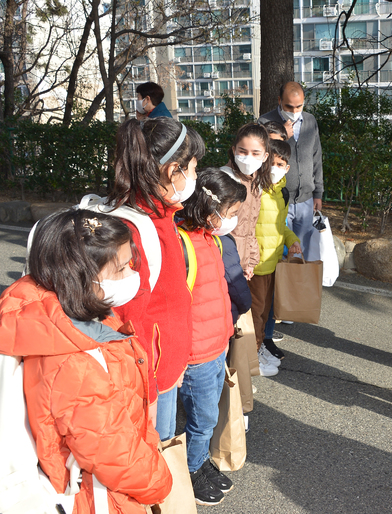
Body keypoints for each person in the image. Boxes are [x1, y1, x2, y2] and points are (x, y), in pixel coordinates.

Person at [0, 209, 172, 513]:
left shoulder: (64, 316)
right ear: (81, 276)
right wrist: (160, 480)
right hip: (99, 494)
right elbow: (108, 449)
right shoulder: (74, 358)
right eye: (122, 269)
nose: (132, 275)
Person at [107, 117, 205, 441]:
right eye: (191, 168)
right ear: (171, 170)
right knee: (155, 457)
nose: (195, 177)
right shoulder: (137, 229)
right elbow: (124, 323)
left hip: (164, 371)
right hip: (150, 383)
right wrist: (154, 380)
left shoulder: (162, 216)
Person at [177, 168, 246, 506]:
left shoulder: (212, 239)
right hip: (196, 354)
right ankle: (190, 471)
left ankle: (200, 462)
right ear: (209, 208)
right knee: (201, 418)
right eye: (231, 213)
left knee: (208, 416)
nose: (233, 220)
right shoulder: (183, 243)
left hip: (216, 344)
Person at [258, 82, 323, 261]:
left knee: (303, 249)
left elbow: (316, 157)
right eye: (289, 106)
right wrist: (283, 136)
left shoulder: (310, 121)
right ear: (279, 101)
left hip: (306, 199)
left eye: (299, 106)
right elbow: (260, 155)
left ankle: (300, 286)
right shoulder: (264, 122)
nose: (294, 111)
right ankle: (280, 287)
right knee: (279, 249)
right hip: (276, 197)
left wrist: (318, 192)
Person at [252, 139, 302, 366]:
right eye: (272, 162)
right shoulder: (254, 189)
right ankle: (250, 359)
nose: (275, 168)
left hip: (273, 263)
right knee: (255, 314)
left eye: (280, 164)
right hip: (254, 266)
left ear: (287, 168)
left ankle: (258, 348)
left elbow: (280, 225)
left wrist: (292, 239)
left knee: (265, 313)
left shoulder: (282, 192)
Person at [221, 123, 273, 281]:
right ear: (234, 150)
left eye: (255, 153)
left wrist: (250, 262)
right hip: (223, 257)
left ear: (265, 156)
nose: (248, 158)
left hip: (241, 263)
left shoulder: (256, 183)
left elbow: (250, 227)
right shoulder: (224, 178)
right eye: (243, 151)